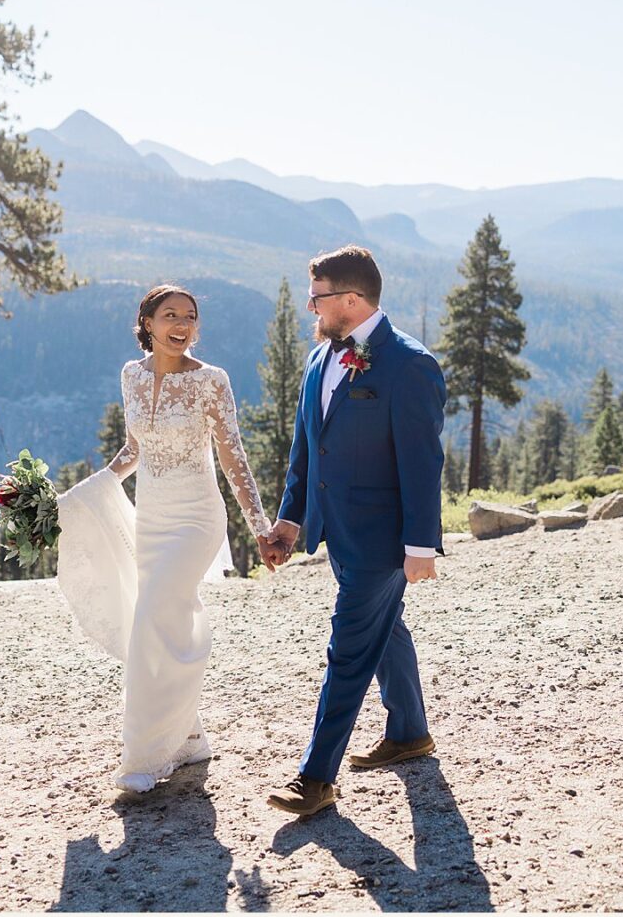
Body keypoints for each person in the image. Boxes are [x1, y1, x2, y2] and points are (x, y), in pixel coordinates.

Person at [54, 284, 272, 794]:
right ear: (147, 323)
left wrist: (259, 527)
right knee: (161, 618)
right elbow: (134, 448)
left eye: (190, 317)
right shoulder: (131, 375)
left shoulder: (211, 382)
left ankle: (148, 756)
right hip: (149, 518)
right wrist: (89, 491)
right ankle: (191, 735)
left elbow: (233, 458)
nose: (182, 324)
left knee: (154, 618)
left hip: (197, 518)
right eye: (170, 315)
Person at [261, 245, 447, 817]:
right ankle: (410, 733)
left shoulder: (409, 365)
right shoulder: (319, 360)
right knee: (385, 633)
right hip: (333, 529)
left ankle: (314, 779)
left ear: (349, 300)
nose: (308, 308)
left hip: (382, 540)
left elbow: (422, 461)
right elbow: (305, 450)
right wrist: (291, 519)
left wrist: (419, 546)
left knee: (348, 649)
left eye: (315, 298)